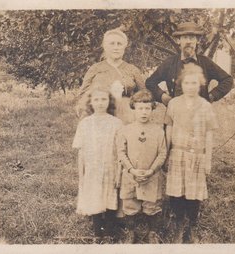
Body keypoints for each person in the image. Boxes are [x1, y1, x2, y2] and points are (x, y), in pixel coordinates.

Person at [164, 64, 219, 243]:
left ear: (200, 84)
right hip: (177, 153)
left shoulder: (205, 106)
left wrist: (208, 159)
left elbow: (209, 133)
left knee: (193, 193)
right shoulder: (173, 103)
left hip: (197, 155)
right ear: (181, 84)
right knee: (177, 191)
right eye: (187, 82)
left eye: (194, 83)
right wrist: (165, 153)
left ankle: (192, 224)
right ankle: (178, 224)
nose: (190, 86)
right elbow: (169, 129)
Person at [72, 86, 123, 241]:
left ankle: (108, 231)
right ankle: (97, 232)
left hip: (110, 165)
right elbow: (81, 152)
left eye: (104, 99)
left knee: (110, 195)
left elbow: (121, 150)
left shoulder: (117, 123)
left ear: (109, 101)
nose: (100, 103)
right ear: (90, 102)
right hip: (92, 167)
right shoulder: (85, 123)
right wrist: (82, 173)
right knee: (94, 195)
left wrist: (119, 172)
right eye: (96, 100)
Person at [116, 90, 167, 243]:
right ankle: (130, 232)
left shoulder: (158, 131)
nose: (143, 112)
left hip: (151, 175)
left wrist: (152, 170)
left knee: (152, 205)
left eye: (147, 108)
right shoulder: (126, 130)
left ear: (152, 109)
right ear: (134, 109)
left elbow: (162, 153)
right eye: (140, 108)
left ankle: (152, 232)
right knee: (130, 204)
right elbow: (121, 152)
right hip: (131, 175)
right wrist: (131, 169)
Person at [146, 22, 233, 105]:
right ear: (178, 41)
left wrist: (211, 96)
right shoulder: (169, 63)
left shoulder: (205, 63)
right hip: (176, 114)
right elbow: (150, 82)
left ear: (197, 41)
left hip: (199, 114)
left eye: (191, 38)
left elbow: (228, 80)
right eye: (185, 37)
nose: (188, 41)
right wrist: (162, 96)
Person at [76, 28, 145, 123]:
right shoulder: (95, 69)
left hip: (126, 118)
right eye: (112, 43)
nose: (116, 47)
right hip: (99, 117)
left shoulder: (132, 70)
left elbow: (143, 96)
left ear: (124, 47)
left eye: (119, 44)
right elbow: (82, 95)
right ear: (105, 46)